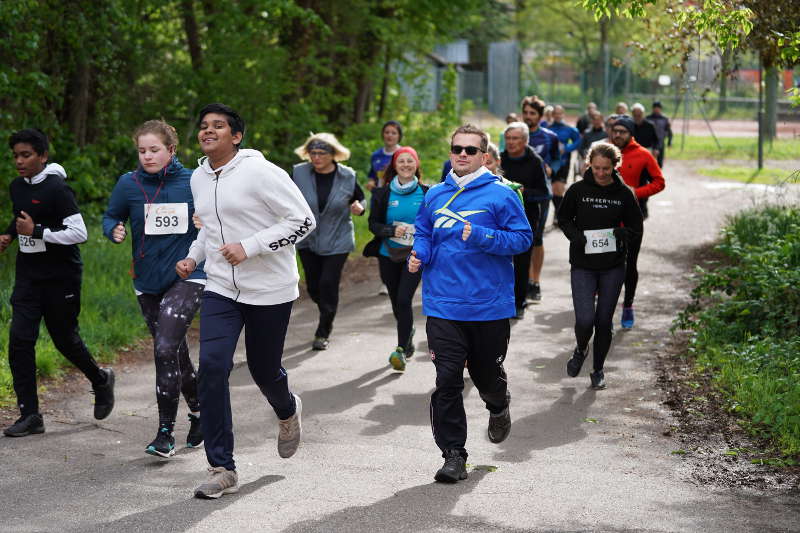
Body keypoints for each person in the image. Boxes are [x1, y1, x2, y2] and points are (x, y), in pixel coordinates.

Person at [176, 103, 315, 499]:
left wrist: (251, 246)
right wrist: (194, 256)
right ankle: (222, 467)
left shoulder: (262, 172)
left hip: (269, 289)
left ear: (236, 136)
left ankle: (287, 409)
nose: (208, 131)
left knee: (263, 368)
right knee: (212, 367)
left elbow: (303, 221)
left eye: (218, 126)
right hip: (221, 286)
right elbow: (210, 230)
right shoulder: (199, 177)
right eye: (203, 126)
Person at [408, 124, 532, 483]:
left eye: (470, 150)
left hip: (487, 306)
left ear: (485, 157)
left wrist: (479, 234)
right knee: (447, 380)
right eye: (456, 148)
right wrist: (419, 255)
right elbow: (425, 232)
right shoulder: (434, 195)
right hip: (443, 303)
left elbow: (522, 239)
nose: (462, 154)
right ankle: (453, 455)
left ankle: (498, 403)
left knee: (485, 377)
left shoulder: (502, 195)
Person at [1, 129, 115, 437]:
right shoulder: (16, 186)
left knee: (65, 339)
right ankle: (30, 415)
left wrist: (37, 232)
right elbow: (22, 215)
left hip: (60, 277)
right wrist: (11, 234)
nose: (19, 161)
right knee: (20, 341)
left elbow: (79, 233)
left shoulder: (58, 190)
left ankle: (101, 379)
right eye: (15, 156)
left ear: (43, 156)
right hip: (28, 277)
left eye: (26, 155)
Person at [102, 120, 204, 457]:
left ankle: (165, 433)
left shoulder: (194, 181)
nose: (147, 156)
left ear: (171, 150)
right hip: (146, 281)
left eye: (154, 150)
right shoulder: (128, 184)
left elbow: (219, 216)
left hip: (188, 275)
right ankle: (201, 411)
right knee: (174, 351)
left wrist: (205, 220)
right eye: (142, 151)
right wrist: (113, 229)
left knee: (163, 348)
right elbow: (111, 216)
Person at [557, 142, 643, 390]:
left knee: (604, 321)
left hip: (613, 266)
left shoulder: (624, 193)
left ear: (615, 166)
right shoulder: (578, 190)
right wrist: (576, 236)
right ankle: (581, 348)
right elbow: (563, 218)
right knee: (585, 321)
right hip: (583, 264)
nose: (601, 173)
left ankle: (597, 370)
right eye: (597, 168)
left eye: (606, 169)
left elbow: (636, 227)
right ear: (589, 165)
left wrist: (621, 233)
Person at [292, 132, 365, 351]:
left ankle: (323, 331)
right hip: (308, 239)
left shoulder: (347, 176)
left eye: (321, 153)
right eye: (312, 153)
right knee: (313, 287)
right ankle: (327, 308)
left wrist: (359, 208)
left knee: (327, 283)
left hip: (338, 238)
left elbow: (359, 198)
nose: (316, 157)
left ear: (332, 154)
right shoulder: (299, 173)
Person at [363, 147, 427, 371]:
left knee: (403, 300)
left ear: (416, 165)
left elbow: (432, 225)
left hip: (414, 255)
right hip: (387, 254)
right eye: (402, 161)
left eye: (411, 161)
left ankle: (401, 349)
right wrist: (390, 231)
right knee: (395, 301)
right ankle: (407, 332)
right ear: (395, 165)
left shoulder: (426, 193)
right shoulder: (382, 194)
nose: (406, 165)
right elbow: (373, 224)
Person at [608, 116, 665, 329]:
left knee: (629, 264)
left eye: (622, 131)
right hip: (605, 218)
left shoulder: (643, 155)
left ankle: (628, 305)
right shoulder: (604, 152)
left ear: (631, 133)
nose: (618, 135)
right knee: (606, 264)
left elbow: (660, 182)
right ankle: (606, 309)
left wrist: (637, 192)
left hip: (632, 219)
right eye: (615, 131)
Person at [500, 122, 546, 319]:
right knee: (500, 261)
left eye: (515, 138)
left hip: (525, 218)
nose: (511, 142)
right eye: (508, 138)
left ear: (525, 141)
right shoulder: (500, 159)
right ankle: (501, 301)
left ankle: (519, 301)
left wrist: (522, 192)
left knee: (521, 261)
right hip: (500, 219)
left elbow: (545, 193)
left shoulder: (535, 161)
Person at [520, 95, 558, 303]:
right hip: (517, 193)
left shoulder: (549, 137)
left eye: (532, 113)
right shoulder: (514, 134)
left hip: (540, 194)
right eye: (525, 113)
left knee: (536, 238)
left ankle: (535, 280)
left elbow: (559, 159)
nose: (528, 117)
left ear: (540, 116)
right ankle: (522, 281)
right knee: (518, 237)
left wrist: (553, 169)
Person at [545, 105, 581, 215]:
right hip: (549, 163)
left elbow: (578, 141)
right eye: (555, 113)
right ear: (552, 115)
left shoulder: (569, 129)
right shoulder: (547, 128)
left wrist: (566, 148)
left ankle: (560, 215)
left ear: (563, 114)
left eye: (559, 113)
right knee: (549, 189)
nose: (557, 115)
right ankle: (558, 213)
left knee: (558, 189)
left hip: (563, 163)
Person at [366, 120, 402, 190]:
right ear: (383, 134)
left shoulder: (404, 154)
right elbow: (372, 176)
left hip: (398, 194)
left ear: (399, 136)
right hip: (379, 194)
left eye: (394, 133)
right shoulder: (376, 155)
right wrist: (371, 183)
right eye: (387, 132)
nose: (390, 135)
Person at [647, 101, 673, 167]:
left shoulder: (664, 119)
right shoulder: (648, 118)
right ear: (652, 109)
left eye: (658, 108)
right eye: (655, 108)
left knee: (659, 162)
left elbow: (669, 131)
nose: (656, 109)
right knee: (648, 161)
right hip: (650, 143)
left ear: (660, 109)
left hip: (660, 143)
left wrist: (669, 142)